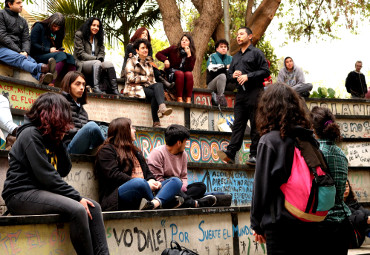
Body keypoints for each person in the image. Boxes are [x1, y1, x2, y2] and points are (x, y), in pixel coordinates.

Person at [1, 92, 109, 255]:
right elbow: (47, 176)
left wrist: (59, 142)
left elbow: (64, 170)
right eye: (64, 116)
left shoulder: (49, 137)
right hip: (19, 194)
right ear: (54, 114)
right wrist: (77, 197)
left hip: (40, 192)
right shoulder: (29, 135)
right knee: (78, 209)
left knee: (94, 207)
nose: (67, 123)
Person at [251, 82, 320, 255]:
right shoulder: (307, 138)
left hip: (280, 224)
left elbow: (262, 186)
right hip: (308, 220)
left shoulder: (269, 140)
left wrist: (256, 224)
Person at [95, 117, 183, 211]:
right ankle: (163, 202)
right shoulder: (107, 150)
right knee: (139, 183)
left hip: (145, 190)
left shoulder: (135, 151)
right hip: (118, 195)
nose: (135, 130)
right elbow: (113, 175)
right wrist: (145, 184)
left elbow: (148, 173)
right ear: (123, 131)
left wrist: (152, 181)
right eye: (132, 127)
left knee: (176, 181)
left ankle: (154, 203)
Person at [217, 27, 270, 165]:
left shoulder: (257, 53)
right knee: (238, 125)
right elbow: (229, 76)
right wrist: (232, 75)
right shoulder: (235, 57)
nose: (238, 37)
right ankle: (231, 153)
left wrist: (248, 76)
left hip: (255, 93)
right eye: (237, 35)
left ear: (250, 36)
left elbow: (265, 71)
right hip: (240, 94)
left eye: (242, 34)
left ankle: (254, 155)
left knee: (255, 124)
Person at [311, 106, 352, 254]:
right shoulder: (341, 154)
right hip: (342, 222)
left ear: (313, 129)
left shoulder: (313, 153)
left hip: (321, 224)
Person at [148, 124, 217, 208]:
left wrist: (181, 188)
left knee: (201, 187)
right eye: (185, 141)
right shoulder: (157, 153)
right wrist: (175, 187)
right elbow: (157, 181)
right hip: (163, 188)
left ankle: (179, 200)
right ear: (179, 143)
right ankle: (194, 203)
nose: (186, 144)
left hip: (180, 189)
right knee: (174, 182)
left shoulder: (183, 154)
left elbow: (184, 176)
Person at [0, 0, 55, 84]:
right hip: (2, 48)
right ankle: (42, 68)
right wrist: (19, 51)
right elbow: (2, 36)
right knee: (21, 58)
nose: (21, 5)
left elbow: (26, 39)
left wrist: (25, 51)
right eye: (18, 3)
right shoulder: (1, 15)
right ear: (10, 4)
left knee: (31, 61)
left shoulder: (23, 21)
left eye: (21, 3)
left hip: (18, 51)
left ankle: (41, 77)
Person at [125, 39, 172, 127]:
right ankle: (156, 120)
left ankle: (161, 108)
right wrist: (144, 78)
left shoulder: (149, 63)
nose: (145, 50)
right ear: (137, 50)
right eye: (142, 48)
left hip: (145, 87)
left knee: (158, 86)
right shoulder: (131, 61)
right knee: (155, 91)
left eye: (146, 48)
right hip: (134, 89)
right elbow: (130, 78)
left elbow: (152, 81)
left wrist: (144, 81)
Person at [61, 71, 105, 154]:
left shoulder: (82, 110)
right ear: (68, 85)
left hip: (84, 146)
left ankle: (107, 150)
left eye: (83, 84)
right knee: (91, 126)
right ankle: (107, 149)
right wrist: (80, 131)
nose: (82, 88)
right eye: (77, 84)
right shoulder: (61, 104)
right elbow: (61, 129)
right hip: (68, 148)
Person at [74, 17, 119, 95]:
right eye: (93, 25)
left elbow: (102, 52)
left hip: (97, 63)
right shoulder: (79, 34)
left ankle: (114, 90)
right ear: (88, 25)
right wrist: (96, 59)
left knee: (109, 64)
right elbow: (80, 54)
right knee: (97, 63)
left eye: (98, 26)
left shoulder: (98, 37)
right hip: (82, 63)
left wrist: (100, 59)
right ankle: (96, 88)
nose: (96, 28)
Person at [30, 13, 76, 87]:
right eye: (54, 26)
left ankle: (73, 82)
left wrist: (59, 50)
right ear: (50, 22)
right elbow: (33, 44)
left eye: (59, 27)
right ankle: (50, 82)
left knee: (70, 57)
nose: (56, 29)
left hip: (52, 55)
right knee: (61, 55)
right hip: (38, 55)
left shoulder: (59, 32)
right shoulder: (39, 26)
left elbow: (58, 47)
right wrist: (48, 50)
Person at [156, 33, 196, 103]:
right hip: (171, 74)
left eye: (186, 40)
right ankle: (179, 98)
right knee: (179, 73)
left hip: (183, 78)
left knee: (189, 74)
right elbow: (158, 54)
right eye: (182, 40)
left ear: (190, 43)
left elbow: (189, 69)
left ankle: (188, 99)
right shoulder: (173, 49)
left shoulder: (191, 54)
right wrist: (165, 60)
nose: (183, 41)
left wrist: (189, 55)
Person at [344, 179, 370, 248]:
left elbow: (365, 212)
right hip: (346, 240)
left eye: (346, 186)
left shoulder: (353, 202)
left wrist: (368, 217)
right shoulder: (336, 204)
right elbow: (352, 218)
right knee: (360, 216)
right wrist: (366, 218)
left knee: (365, 215)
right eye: (342, 187)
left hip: (357, 240)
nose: (345, 189)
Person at [206, 39, 233, 106]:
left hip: (226, 84)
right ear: (217, 49)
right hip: (212, 84)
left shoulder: (231, 58)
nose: (223, 48)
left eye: (225, 47)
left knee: (239, 78)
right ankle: (220, 98)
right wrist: (225, 67)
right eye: (221, 47)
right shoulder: (212, 56)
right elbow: (211, 68)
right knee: (222, 76)